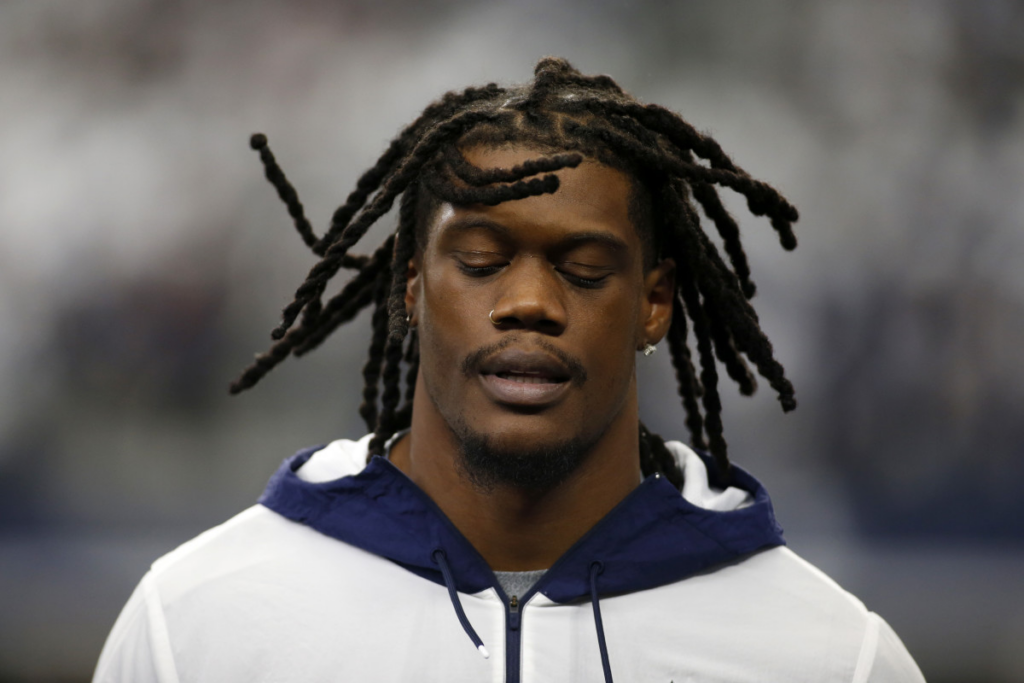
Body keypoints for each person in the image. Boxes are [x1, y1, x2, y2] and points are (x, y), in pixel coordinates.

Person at [93, 58, 926, 682]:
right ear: (413, 287)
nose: (529, 302)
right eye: (481, 261)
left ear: (654, 302)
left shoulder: (829, 658)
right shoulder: (196, 626)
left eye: (584, 269)